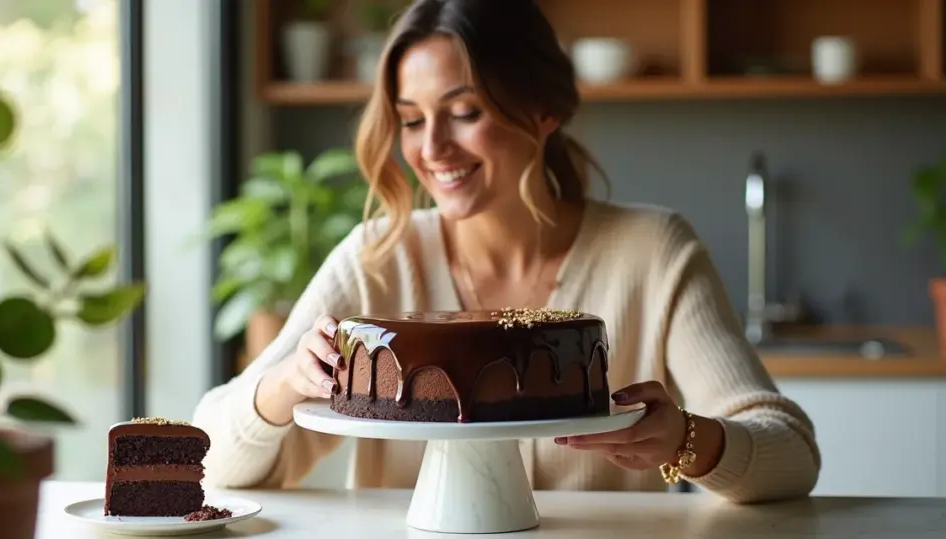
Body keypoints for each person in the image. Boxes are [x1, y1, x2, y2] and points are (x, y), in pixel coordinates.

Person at [192, 0, 820, 503]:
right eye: (411, 120)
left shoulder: (654, 253)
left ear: (543, 109)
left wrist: (687, 439)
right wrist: (281, 385)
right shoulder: (379, 258)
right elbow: (212, 459)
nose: (432, 147)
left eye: (463, 111)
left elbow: (790, 452)